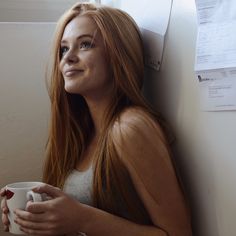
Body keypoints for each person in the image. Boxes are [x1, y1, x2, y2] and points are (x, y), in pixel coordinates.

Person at [1, 2, 192, 235]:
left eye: (85, 45)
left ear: (117, 55)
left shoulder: (130, 128)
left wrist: (83, 219)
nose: (67, 58)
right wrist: (40, 214)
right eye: (63, 49)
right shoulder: (81, 132)